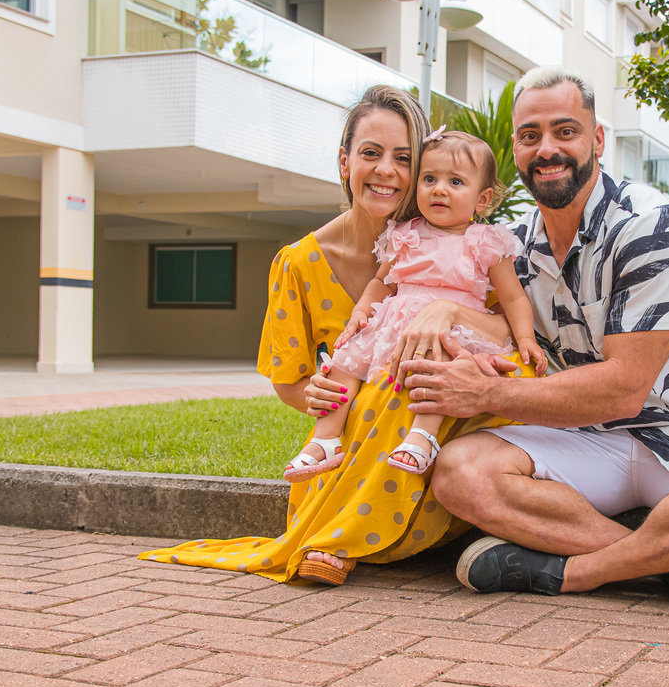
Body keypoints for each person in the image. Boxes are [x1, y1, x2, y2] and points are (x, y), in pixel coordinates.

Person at [397, 67, 669, 609]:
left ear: (597, 140)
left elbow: (623, 389)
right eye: (529, 135)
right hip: (585, 436)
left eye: (565, 132)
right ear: (515, 150)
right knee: (459, 472)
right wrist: (448, 311)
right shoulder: (509, 246)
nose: (547, 149)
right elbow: (498, 327)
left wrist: (487, 394)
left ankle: (574, 575)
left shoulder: (653, 226)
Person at [140, 86, 531, 587]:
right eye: (371, 153)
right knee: (382, 386)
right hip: (350, 439)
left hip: (430, 419)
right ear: (345, 161)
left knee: (449, 374)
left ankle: (344, 537)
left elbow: (507, 332)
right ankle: (335, 531)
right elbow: (288, 381)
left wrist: (447, 309)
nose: (386, 170)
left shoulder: (462, 249)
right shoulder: (299, 263)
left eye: (404, 158)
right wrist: (317, 395)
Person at [282, 129, 546, 482]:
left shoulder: (485, 241)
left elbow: (513, 297)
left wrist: (526, 338)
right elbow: (381, 282)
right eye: (429, 178)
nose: (439, 189)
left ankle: (423, 437)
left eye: (455, 181)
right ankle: (325, 439)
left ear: (481, 200)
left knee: (438, 368)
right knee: (344, 361)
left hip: (450, 330)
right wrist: (361, 311)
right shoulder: (404, 233)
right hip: (392, 324)